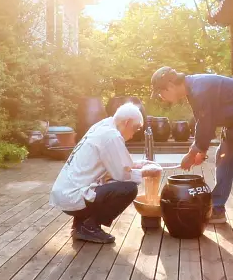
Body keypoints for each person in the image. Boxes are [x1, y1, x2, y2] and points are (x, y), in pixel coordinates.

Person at [150, 66, 233, 236]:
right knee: (223, 160)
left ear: (170, 85)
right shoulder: (192, 90)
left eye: (161, 93)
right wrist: (199, 151)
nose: (162, 97)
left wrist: (193, 153)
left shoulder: (199, 89)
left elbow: (206, 124)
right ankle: (217, 210)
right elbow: (203, 122)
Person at [49, 103, 158, 244]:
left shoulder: (103, 125)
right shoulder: (111, 136)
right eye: (135, 128)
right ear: (127, 122)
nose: (133, 135)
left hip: (64, 193)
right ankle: (90, 227)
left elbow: (114, 161)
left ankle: (80, 225)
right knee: (128, 188)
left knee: (108, 183)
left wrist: (137, 164)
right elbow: (122, 175)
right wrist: (145, 172)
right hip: (73, 197)